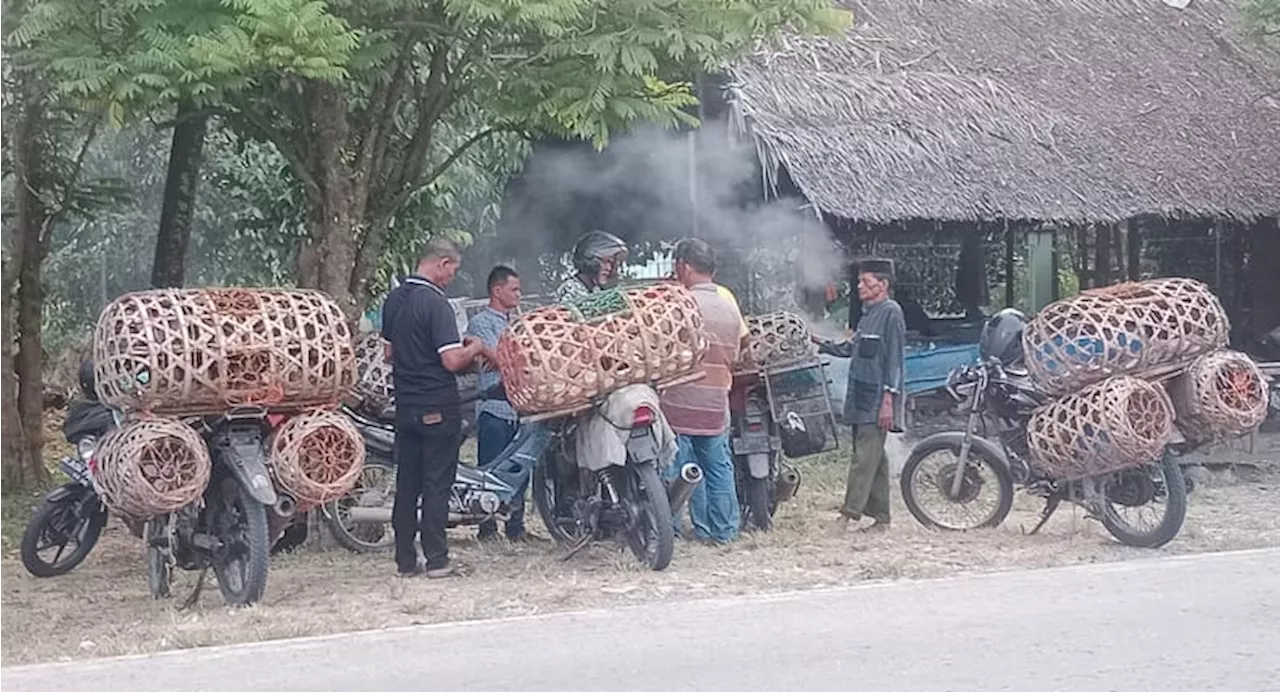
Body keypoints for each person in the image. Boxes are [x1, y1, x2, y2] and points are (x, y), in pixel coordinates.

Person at [380, 238, 486, 578]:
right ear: (441, 263)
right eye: (452, 269)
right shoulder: (436, 305)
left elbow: (387, 353)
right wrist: (476, 348)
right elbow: (452, 360)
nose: (452, 276)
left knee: (407, 484)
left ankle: (405, 561)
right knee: (437, 484)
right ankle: (438, 560)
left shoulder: (394, 300)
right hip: (437, 404)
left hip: (406, 405)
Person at [659, 238, 748, 544]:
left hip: (680, 403)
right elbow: (735, 356)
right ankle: (723, 533)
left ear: (683, 266)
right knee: (719, 469)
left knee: (679, 468)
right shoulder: (729, 308)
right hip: (715, 404)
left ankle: (675, 531)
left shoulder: (678, 306)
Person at [814, 258, 906, 534]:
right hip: (862, 395)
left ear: (883, 284)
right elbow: (850, 349)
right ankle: (881, 518)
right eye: (859, 282)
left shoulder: (891, 313)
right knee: (875, 458)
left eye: (866, 282)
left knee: (864, 459)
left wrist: (889, 399)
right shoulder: (869, 314)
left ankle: (847, 515)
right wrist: (818, 342)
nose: (860, 287)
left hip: (878, 398)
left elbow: (895, 360)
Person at [465, 265, 538, 543]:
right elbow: (504, 360)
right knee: (492, 468)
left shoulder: (516, 322)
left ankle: (516, 527)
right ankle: (487, 528)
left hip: (518, 408)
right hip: (494, 408)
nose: (519, 295)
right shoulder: (481, 323)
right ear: (497, 291)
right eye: (514, 289)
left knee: (520, 467)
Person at [556, 230, 629, 302]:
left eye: (612, 263)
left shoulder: (595, 291)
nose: (609, 268)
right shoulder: (570, 290)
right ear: (590, 259)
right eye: (606, 262)